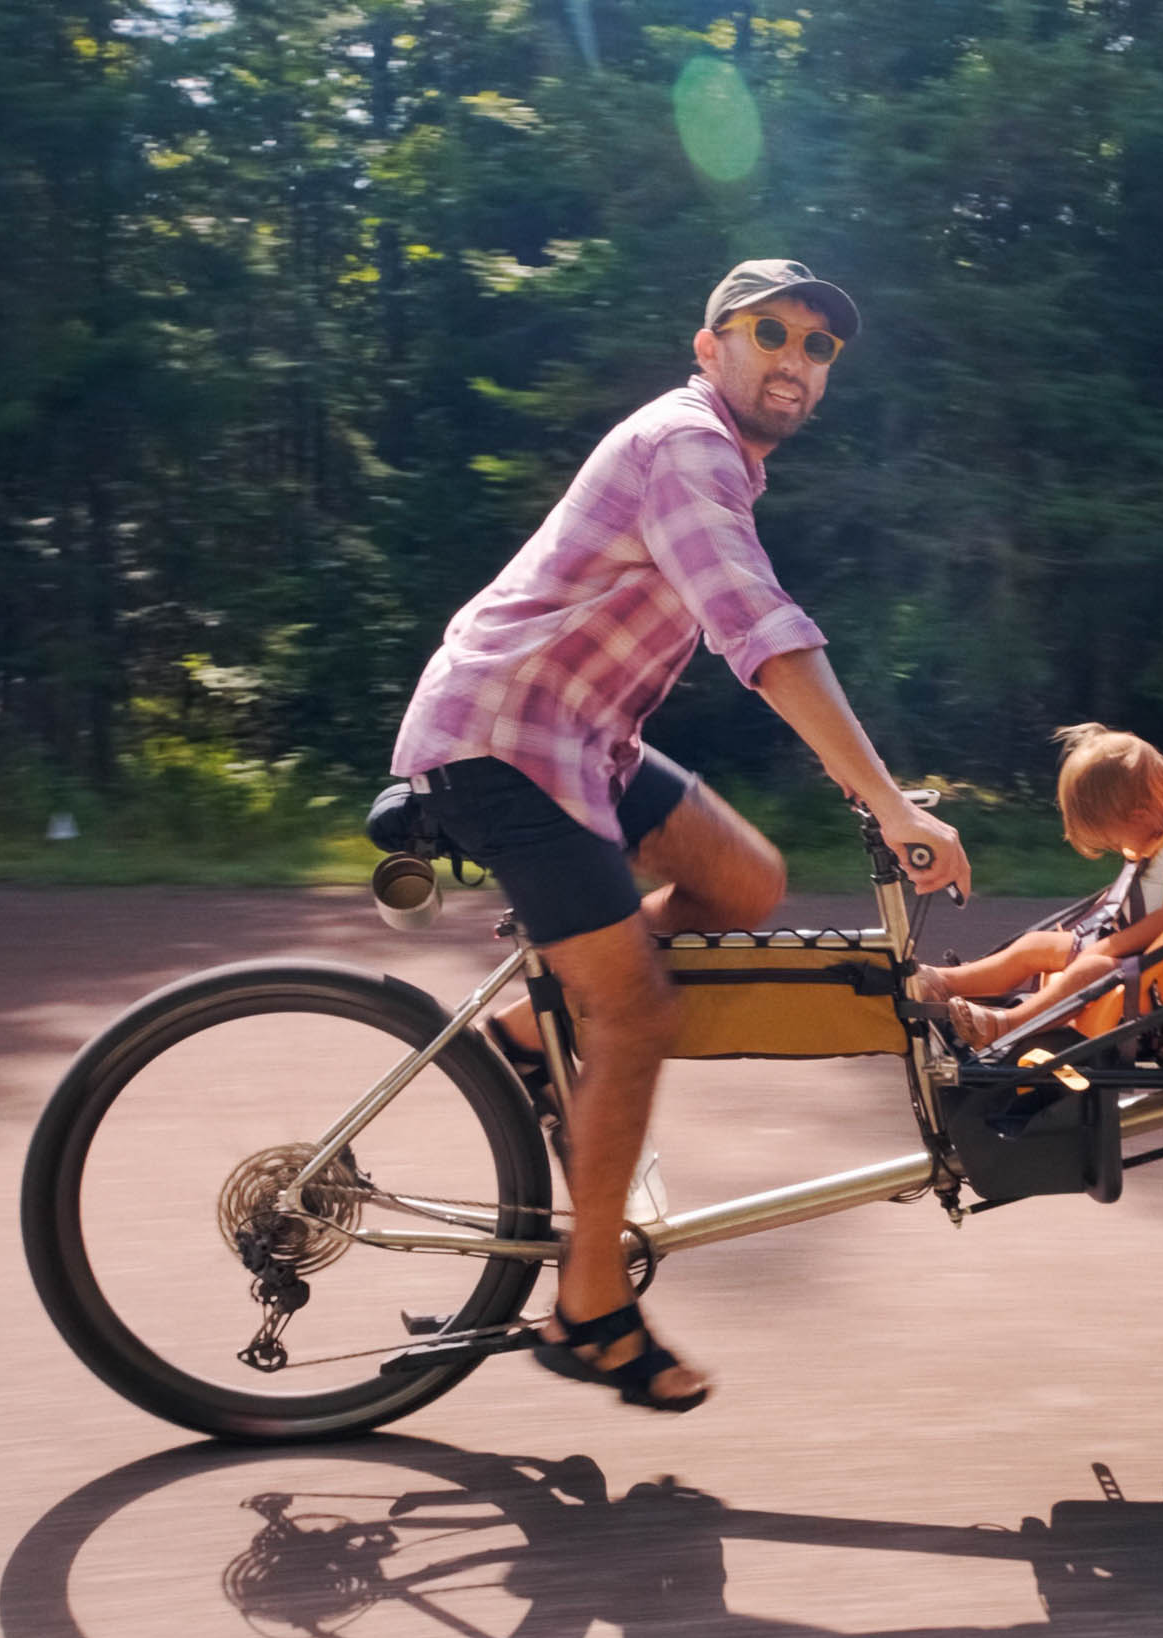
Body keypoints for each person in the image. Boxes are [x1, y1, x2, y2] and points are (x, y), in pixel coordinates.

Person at [389, 259, 969, 1414]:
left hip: (578, 735)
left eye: (818, 345)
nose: (795, 359)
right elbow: (757, 630)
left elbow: (739, 630)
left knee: (745, 879)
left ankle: (520, 1035)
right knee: (637, 1006)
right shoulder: (686, 446)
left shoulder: (719, 456)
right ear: (710, 348)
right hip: (503, 738)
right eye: (769, 332)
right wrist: (892, 804)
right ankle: (590, 1307)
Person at [921, 723, 1163, 1050]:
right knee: (1034, 945)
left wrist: (1107, 947)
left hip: (1151, 974)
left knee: (1091, 969)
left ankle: (1006, 1025)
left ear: (1138, 815)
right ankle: (943, 982)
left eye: (1113, 838)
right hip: (1129, 947)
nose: (1119, 847)